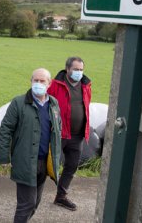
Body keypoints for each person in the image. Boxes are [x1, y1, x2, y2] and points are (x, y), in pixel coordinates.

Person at [0, 68, 61, 223]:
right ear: (31, 81)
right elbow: (6, 129)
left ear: (49, 83)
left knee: (35, 203)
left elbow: (57, 132)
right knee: (27, 204)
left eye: (42, 81)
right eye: (36, 80)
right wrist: (4, 157)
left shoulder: (53, 104)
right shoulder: (19, 103)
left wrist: (57, 159)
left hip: (44, 162)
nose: (38, 84)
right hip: (25, 161)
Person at [47, 56, 91, 211]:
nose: (79, 72)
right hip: (58, 134)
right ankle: (32, 195)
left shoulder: (86, 86)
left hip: (77, 135)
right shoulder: (54, 85)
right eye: (75, 69)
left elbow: (86, 107)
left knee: (71, 166)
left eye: (81, 70)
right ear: (67, 69)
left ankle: (61, 196)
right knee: (45, 166)